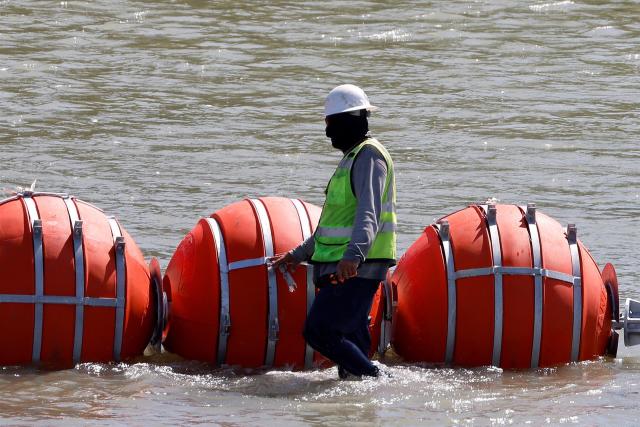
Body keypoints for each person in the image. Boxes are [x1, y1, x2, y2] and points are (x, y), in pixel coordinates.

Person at [270, 84, 397, 379]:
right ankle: (361, 404)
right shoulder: (351, 158)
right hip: (343, 264)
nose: (328, 134)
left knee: (319, 330)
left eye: (332, 124)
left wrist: (353, 257)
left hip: (356, 267)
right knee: (350, 344)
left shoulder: (369, 156)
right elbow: (330, 227)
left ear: (352, 121)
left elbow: (370, 212)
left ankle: (379, 381)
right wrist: (296, 255)